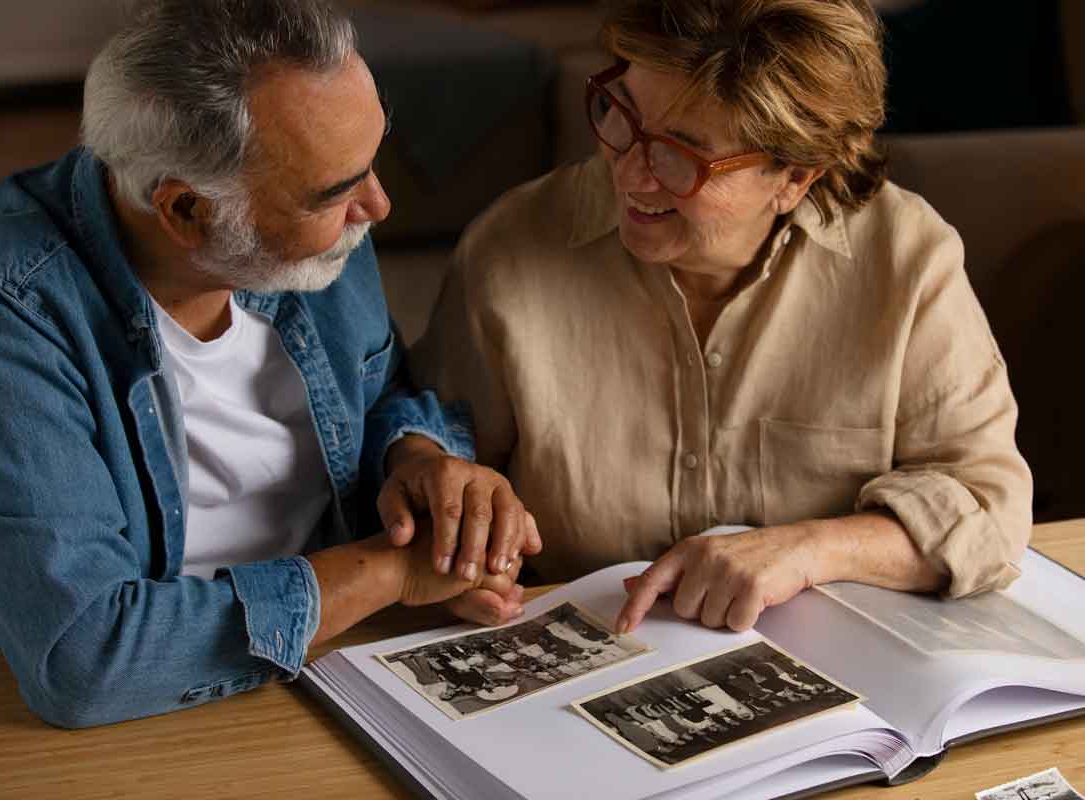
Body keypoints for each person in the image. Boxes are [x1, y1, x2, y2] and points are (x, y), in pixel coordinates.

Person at [0, 0, 539, 728]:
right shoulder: (2, 301)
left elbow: (377, 391)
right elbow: (85, 660)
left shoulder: (326, 233)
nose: (377, 205)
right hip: (65, 723)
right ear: (186, 211)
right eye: (336, 192)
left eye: (370, 163)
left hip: (325, 664)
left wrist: (423, 462)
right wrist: (391, 571)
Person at [411, 0, 1032, 634]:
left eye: (682, 154)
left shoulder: (906, 261)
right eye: (623, 113)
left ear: (795, 177)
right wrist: (453, 542)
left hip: (833, 663)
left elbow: (989, 508)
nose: (630, 175)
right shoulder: (510, 248)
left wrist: (809, 550)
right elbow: (425, 455)